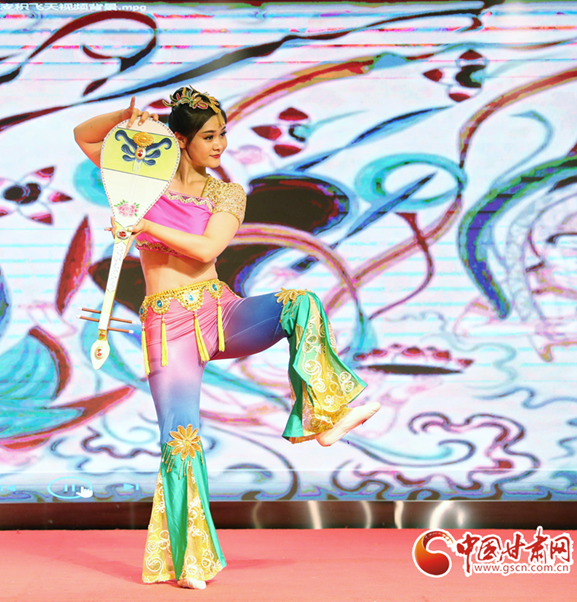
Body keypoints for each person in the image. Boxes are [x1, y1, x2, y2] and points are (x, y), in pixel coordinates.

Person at [74, 86, 380, 590]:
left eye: (223, 135)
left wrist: (141, 223)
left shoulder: (224, 193)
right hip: (167, 326)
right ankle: (189, 562)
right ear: (180, 139)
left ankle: (324, 416)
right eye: (210, 136)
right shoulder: (140, 182)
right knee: (180, 441)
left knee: (300, 303)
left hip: (221, 313)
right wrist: (125, 115)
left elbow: (206, 249)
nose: (220, 145)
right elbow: (85, 137)